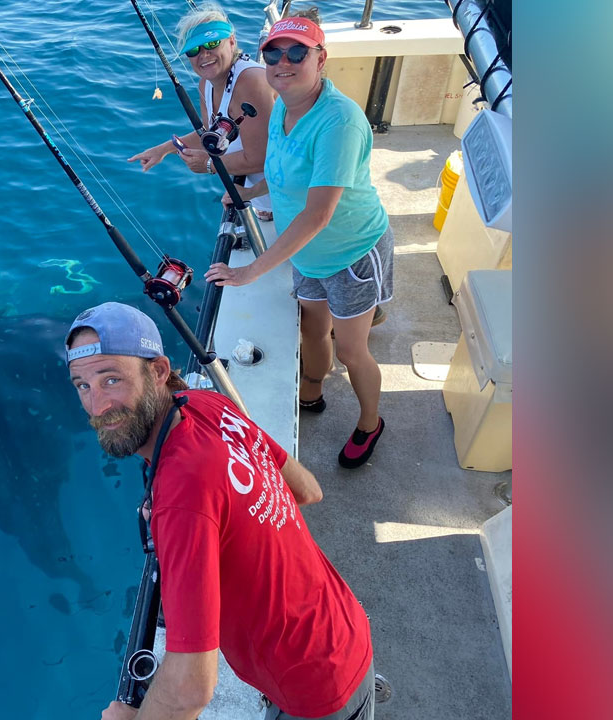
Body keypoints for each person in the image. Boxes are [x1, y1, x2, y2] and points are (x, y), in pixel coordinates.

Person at [64, 302, 375, 720]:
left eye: (111, 379)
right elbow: (307, 489)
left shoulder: (181, 497)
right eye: (82, 386)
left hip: (315, 689)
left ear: (158, 372)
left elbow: (190, 688)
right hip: (343, 624)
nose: (98, 405)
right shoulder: (207, 405)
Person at [204, 15, 393, 468]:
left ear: (320, 59)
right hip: (306, 254)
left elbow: (318, 214)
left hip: (350, 253)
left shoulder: (339, 122)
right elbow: (279, 170)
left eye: (296, 52)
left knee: (351, 350)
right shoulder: (283, 107)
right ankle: (312, 386)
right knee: (311, 328)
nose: (282, 62)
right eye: (273, 53)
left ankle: (370, 422)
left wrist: (251, 270)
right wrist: (248, 193)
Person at [127, 3, 274, 220]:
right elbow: (211, 132)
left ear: (232, 41)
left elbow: (261, 158)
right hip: (262, 197)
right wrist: (164, 149)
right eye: (194, 50)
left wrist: (209, 164)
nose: (204, 54)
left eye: (212, 43)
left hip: (289, 196)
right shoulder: (206, 84)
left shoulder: (250, 82)